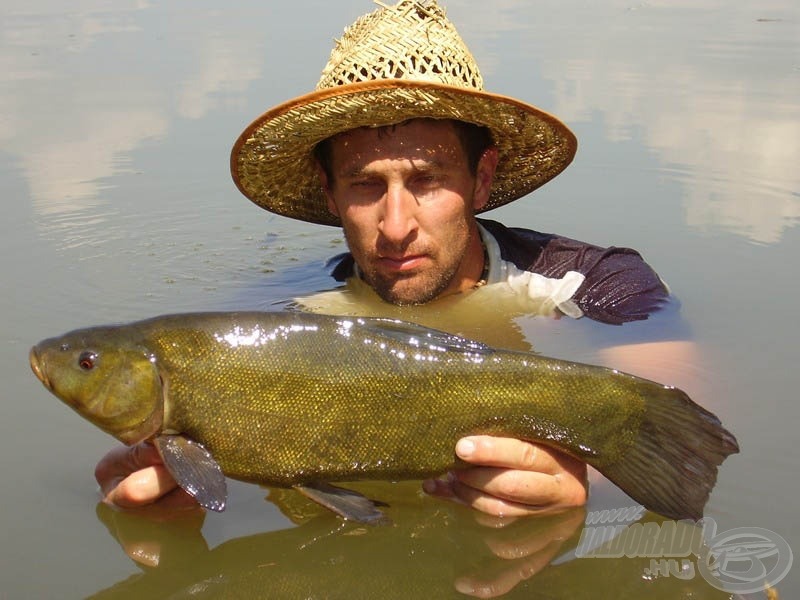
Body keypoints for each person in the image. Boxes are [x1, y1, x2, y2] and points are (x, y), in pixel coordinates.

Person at [96, 0, 697, 519]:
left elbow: (683, 437)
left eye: (426, 180)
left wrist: (582, 486)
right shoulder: (277, 320)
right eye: (364, 186)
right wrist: (169, 511)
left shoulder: (601, 284)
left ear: (481, 180)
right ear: (330, 194)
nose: (395, 225)